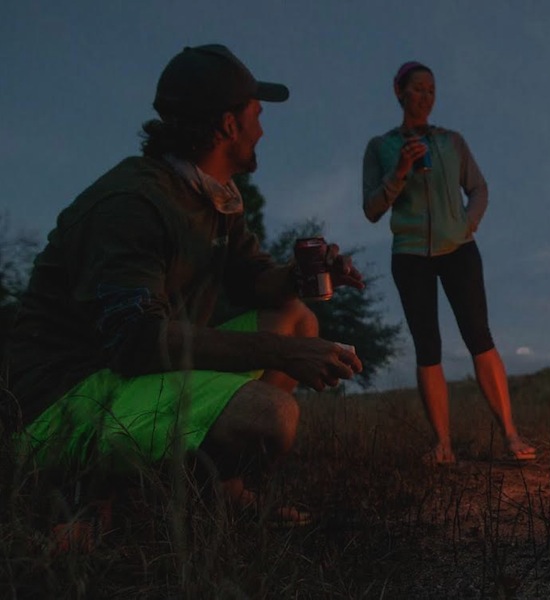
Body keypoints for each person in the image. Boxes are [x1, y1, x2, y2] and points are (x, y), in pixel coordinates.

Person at [5, 44, 363, 519]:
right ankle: (97, 489)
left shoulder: (212, 195)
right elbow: (137, 341)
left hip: (130, 374)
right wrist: (282, 356)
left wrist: (302, 277)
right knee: (269, 415)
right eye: (256, 115)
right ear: (228, 125)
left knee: (295, 319)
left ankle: (222, 487)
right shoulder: (134, 203)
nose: (263, 129)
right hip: (66, 400)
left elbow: (255, 280)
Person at [362, 61, 534, 465]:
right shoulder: (380, 147)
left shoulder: (451, 142)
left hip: (458, 250)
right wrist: (399, 171)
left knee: (479, 336)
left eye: (431, 91)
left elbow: (479, 188)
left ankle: (510, 434)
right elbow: (371, 209)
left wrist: (467, 223)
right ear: (398, 91)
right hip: (409, 255)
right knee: (428, 347)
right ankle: (443, 446)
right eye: (417, 89)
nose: (425, 97)